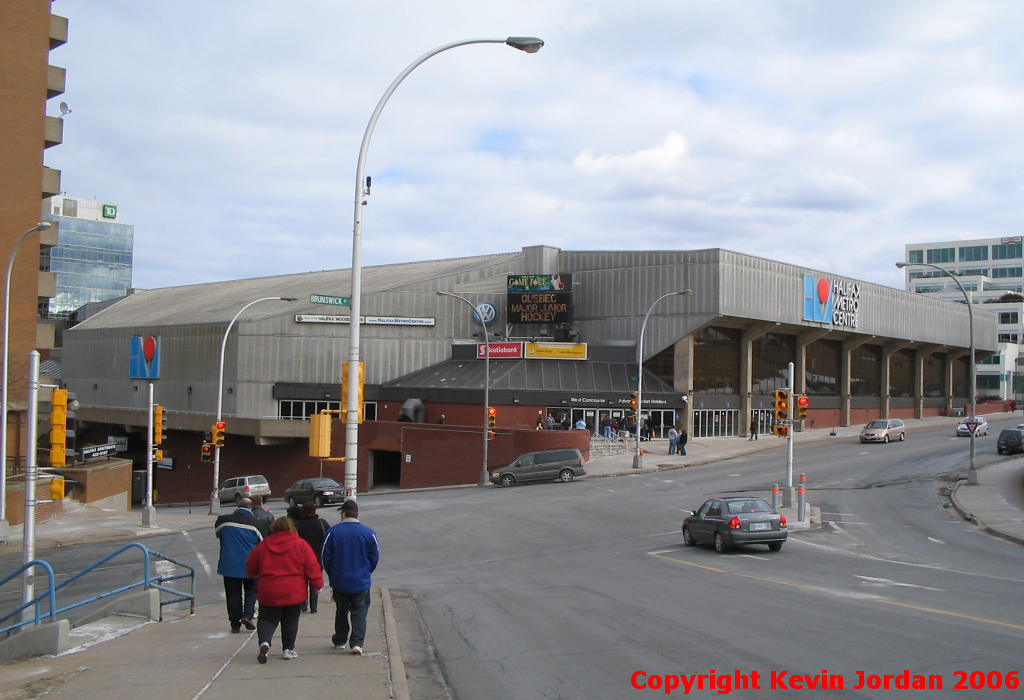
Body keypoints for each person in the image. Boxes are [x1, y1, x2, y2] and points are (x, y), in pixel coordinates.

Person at [246, 516, 323, 663]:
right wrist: (317, 584)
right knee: (290, 620)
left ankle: (265, 642)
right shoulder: (301, 544)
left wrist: (252, 574)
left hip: (269, 589)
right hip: (294, 590)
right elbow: (312, 567)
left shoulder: (263, 545)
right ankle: (288, 649)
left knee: (267, 618)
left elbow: (251, 565)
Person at [322, 500, 379, 655]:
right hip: (360, 580)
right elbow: (374, 557)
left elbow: (325, 556)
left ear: (344, 513)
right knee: (359, 611)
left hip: (339, 579)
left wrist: (331, 572)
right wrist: (366, 571)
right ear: (356, 513)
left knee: (341, 610)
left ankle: (340, 639)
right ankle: (357, 643)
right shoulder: (369, 533)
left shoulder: (332, 532)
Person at [215, 497, 263, 633]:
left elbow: (218, 534)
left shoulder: (223, 521)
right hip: (250, 565)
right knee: (252, 590)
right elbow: (262, 544)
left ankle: (235, 623)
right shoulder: (256, 524)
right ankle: (248, 615)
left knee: (233, 594)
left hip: (229, 564)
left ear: (237, 506)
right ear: (251, 508)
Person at [294, 501, 330, 613]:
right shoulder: (321, 523)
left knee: (302, 581)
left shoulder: (297, 524)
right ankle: (314, 606)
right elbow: (329, 538)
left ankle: (303, 604)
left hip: (301, 557)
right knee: (315, 581)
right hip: (318, 557)